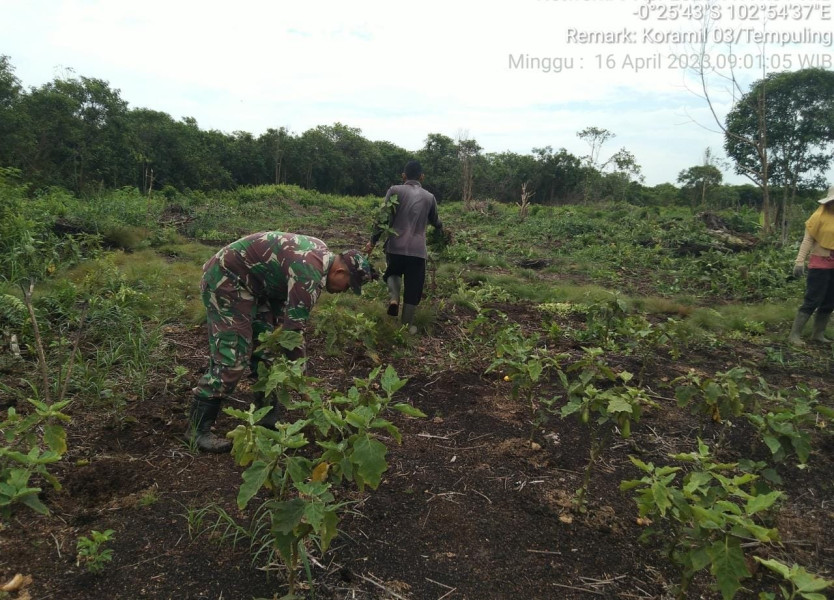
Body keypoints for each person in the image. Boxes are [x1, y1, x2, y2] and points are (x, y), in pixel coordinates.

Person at [189, 232, 376, 452]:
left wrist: (277, 330)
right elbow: (294, 333)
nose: (344, 291)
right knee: (232, 358)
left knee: (267, 350)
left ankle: (267, 415)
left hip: (255, 286)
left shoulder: (322, 254)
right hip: (227, 280)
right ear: (340, 271)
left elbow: (282, 303)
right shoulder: (309, 275)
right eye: (348, 285)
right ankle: (197, 430)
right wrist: (303, 383)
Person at [364, 160, 444, 334]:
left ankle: (394, 298)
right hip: (418, 251)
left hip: (395, 246)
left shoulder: (394, 191)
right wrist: (442, 230)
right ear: (422, 176)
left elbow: (383, 218)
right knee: (413, 287)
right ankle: (406, 326)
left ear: (403, 176)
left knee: (393, 272)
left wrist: (372, 241)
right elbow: (436, 221)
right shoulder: (430, 197)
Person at [789, 185, 834, 346]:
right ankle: (794, 335)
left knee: (830, 301)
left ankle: (818, 334)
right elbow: (808, 240)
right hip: (820, 264)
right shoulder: (818, 216)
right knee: (813, 299)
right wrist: (799, 261)